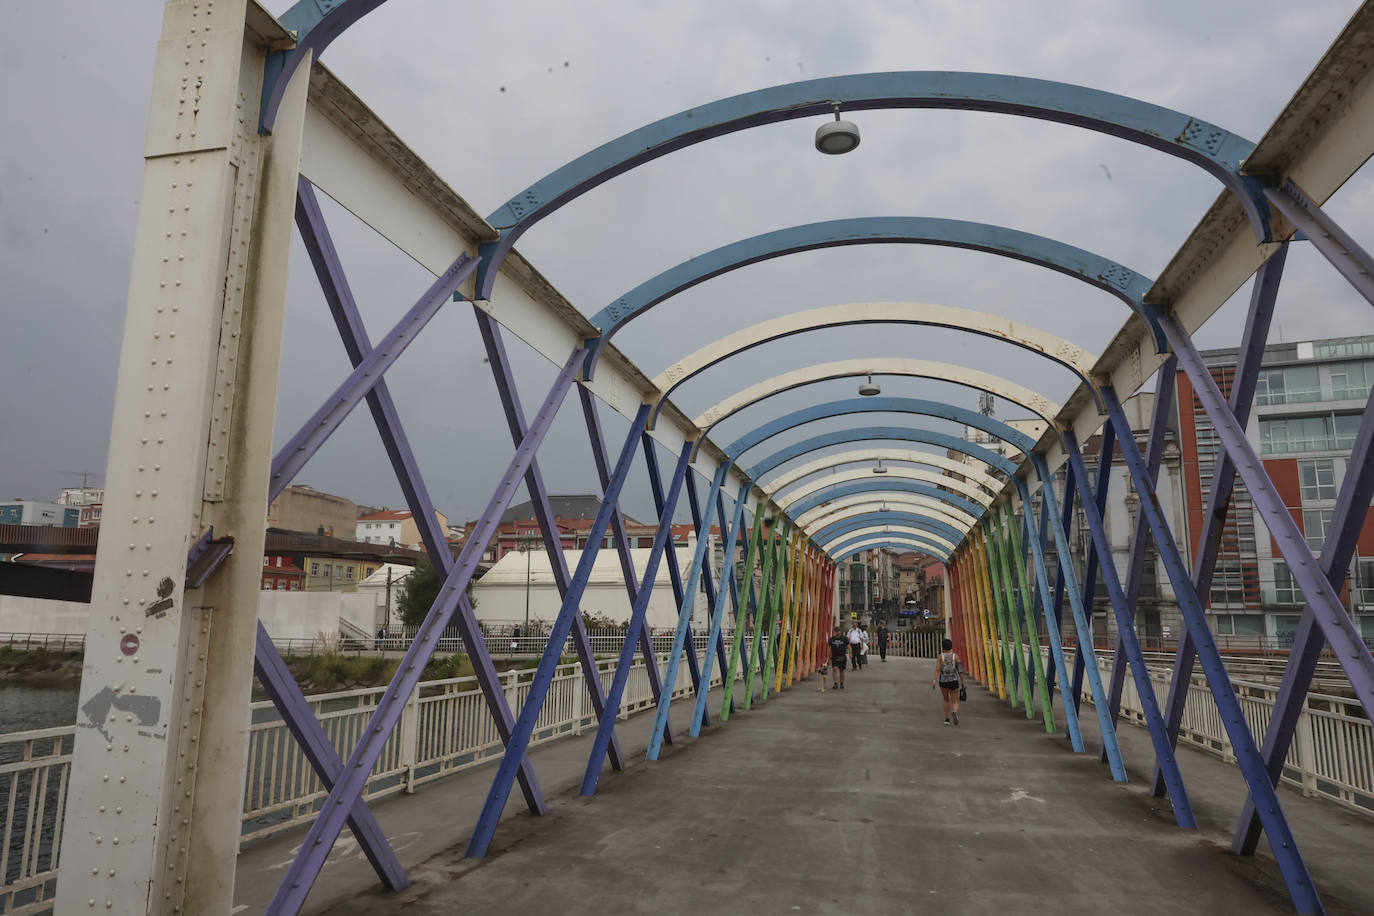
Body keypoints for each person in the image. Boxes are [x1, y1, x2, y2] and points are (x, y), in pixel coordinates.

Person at [931, 637, 963, 725]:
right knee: (955, 701)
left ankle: (947, 719)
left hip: (943, 681)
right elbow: (960, 670)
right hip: (954, 680)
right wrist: (963, 682)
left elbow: (937, 669)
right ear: (951, 647)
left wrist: (934, 680)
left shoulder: (940, 657)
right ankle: (955, 711)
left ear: (943, 647)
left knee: (946, 699)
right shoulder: (955, 656)